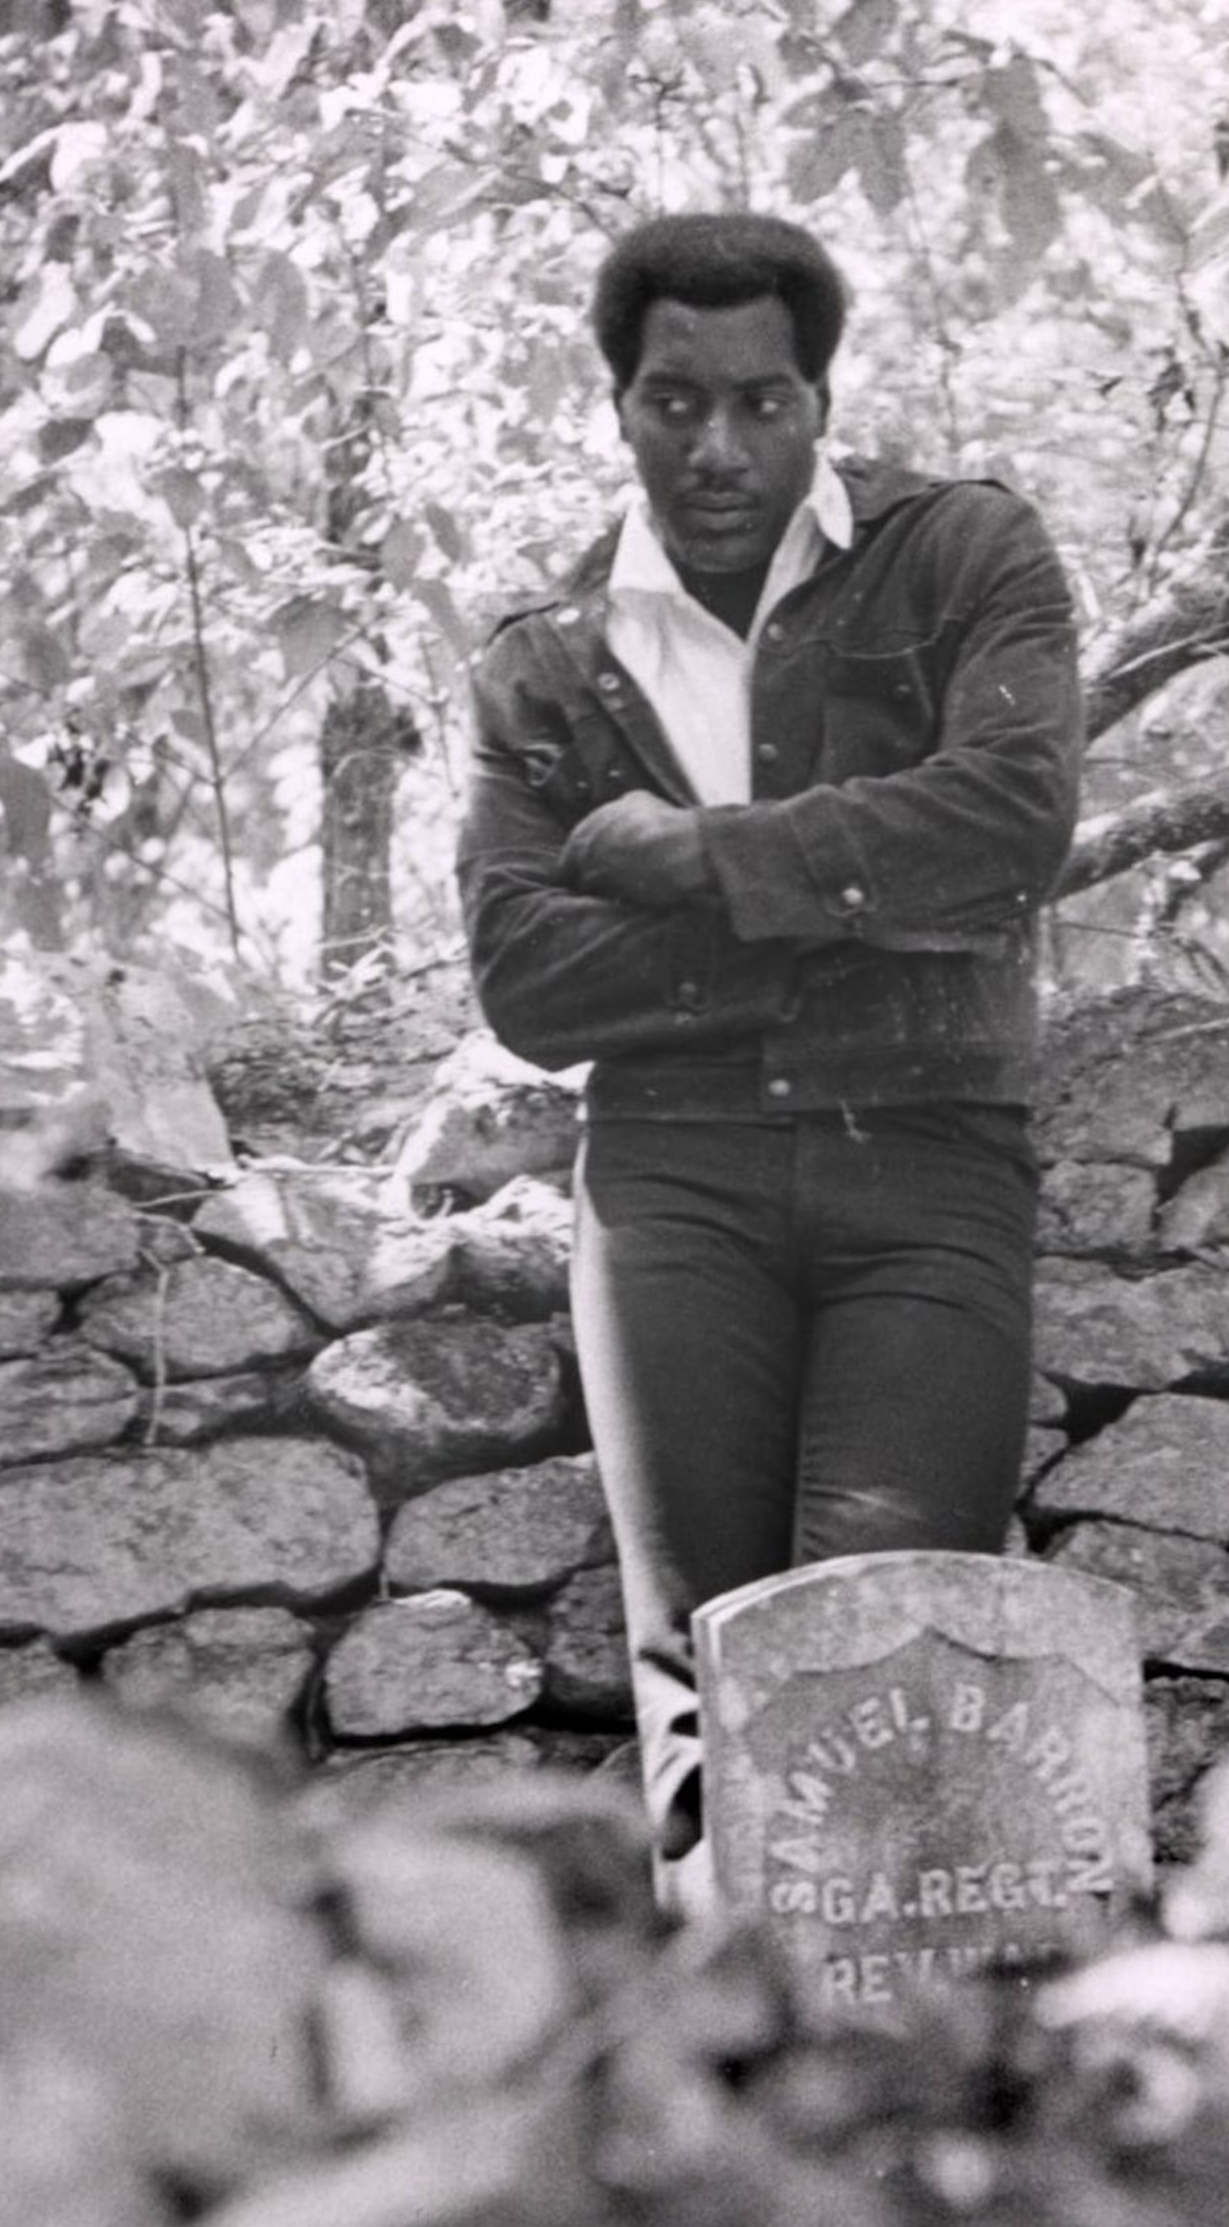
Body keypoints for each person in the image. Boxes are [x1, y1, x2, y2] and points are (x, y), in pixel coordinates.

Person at [458, 212, 1084, 1908]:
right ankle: (714, 2100)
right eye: (673, 403)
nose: (716, 448)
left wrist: (700, 861)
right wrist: (850, 904)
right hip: (672, 1182)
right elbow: (527, 979)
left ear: (819, 400)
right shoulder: (550, 657)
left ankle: (883, 2114)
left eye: (762, 403)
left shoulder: (963, 557)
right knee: (702, 1680)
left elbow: (1013, 827)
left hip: (930, 1167)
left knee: (890, 1657)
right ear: (619, 405)